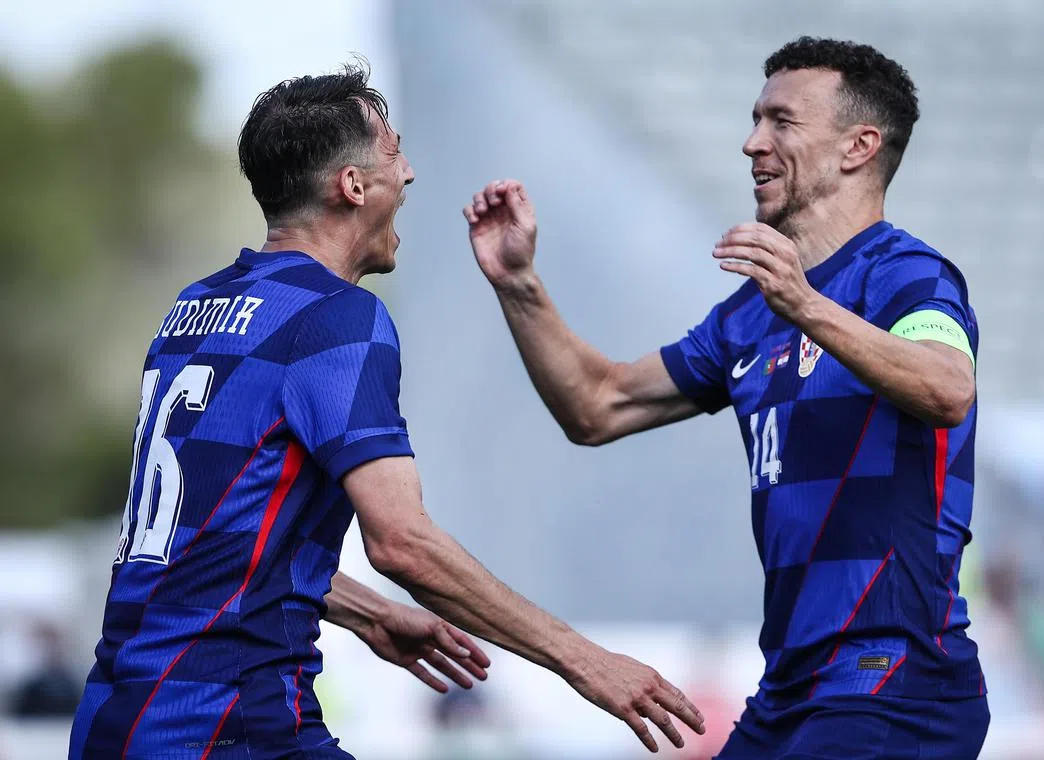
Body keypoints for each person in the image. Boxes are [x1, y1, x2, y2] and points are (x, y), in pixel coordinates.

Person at [69, 64, 703, 760]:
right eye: (395, 152)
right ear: (353, 186)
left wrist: (363, 609)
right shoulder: (336, 319)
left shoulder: (194, 310)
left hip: (116, 719)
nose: (409, 173)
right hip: (225, 727)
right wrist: (584, 660)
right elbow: (401, 542)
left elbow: (204, 540)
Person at [465, 37, 988, 759]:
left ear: (858, 146)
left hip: (892, 678)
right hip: (792, 685)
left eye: (781, 121)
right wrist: (519, 284)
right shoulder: (753, 312)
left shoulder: (907, 277)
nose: (752, 144)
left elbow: (947, 385)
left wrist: (806, 306)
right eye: (754, 119)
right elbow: (596, 404)